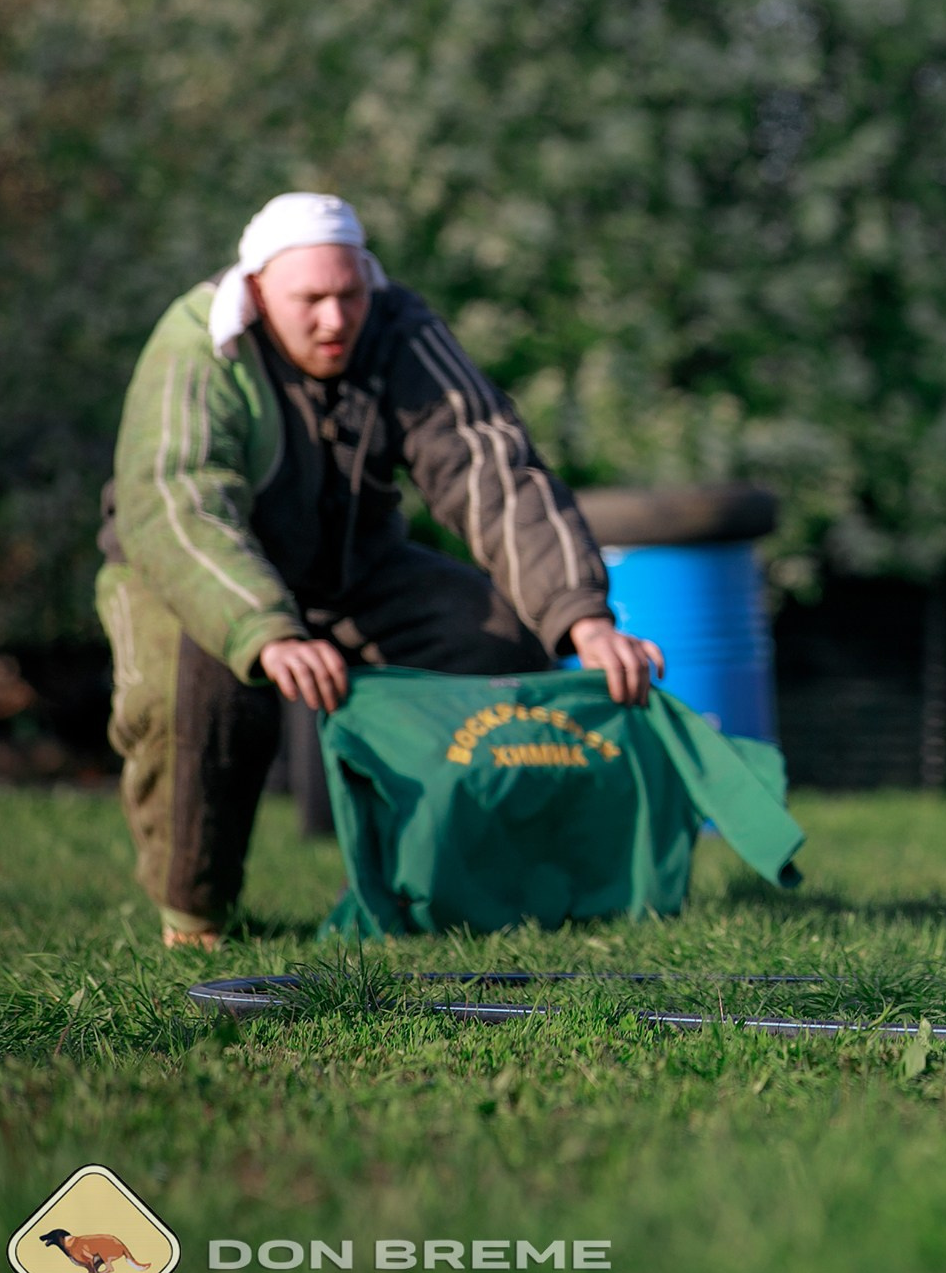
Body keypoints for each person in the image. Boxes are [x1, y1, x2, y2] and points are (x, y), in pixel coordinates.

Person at [97, 193, 664, 949]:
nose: (336, 318)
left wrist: (583, 618)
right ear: (260, 290)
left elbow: (491, 468)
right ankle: (195, 914)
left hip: (349, 563)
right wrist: (266, 631)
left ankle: (429, 883)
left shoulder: (401, 329)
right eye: (312, 300)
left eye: (350, 294)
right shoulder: (198, 346)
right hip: (190, 571)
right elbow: (177, 506)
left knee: (495, 641)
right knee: (203, 688)